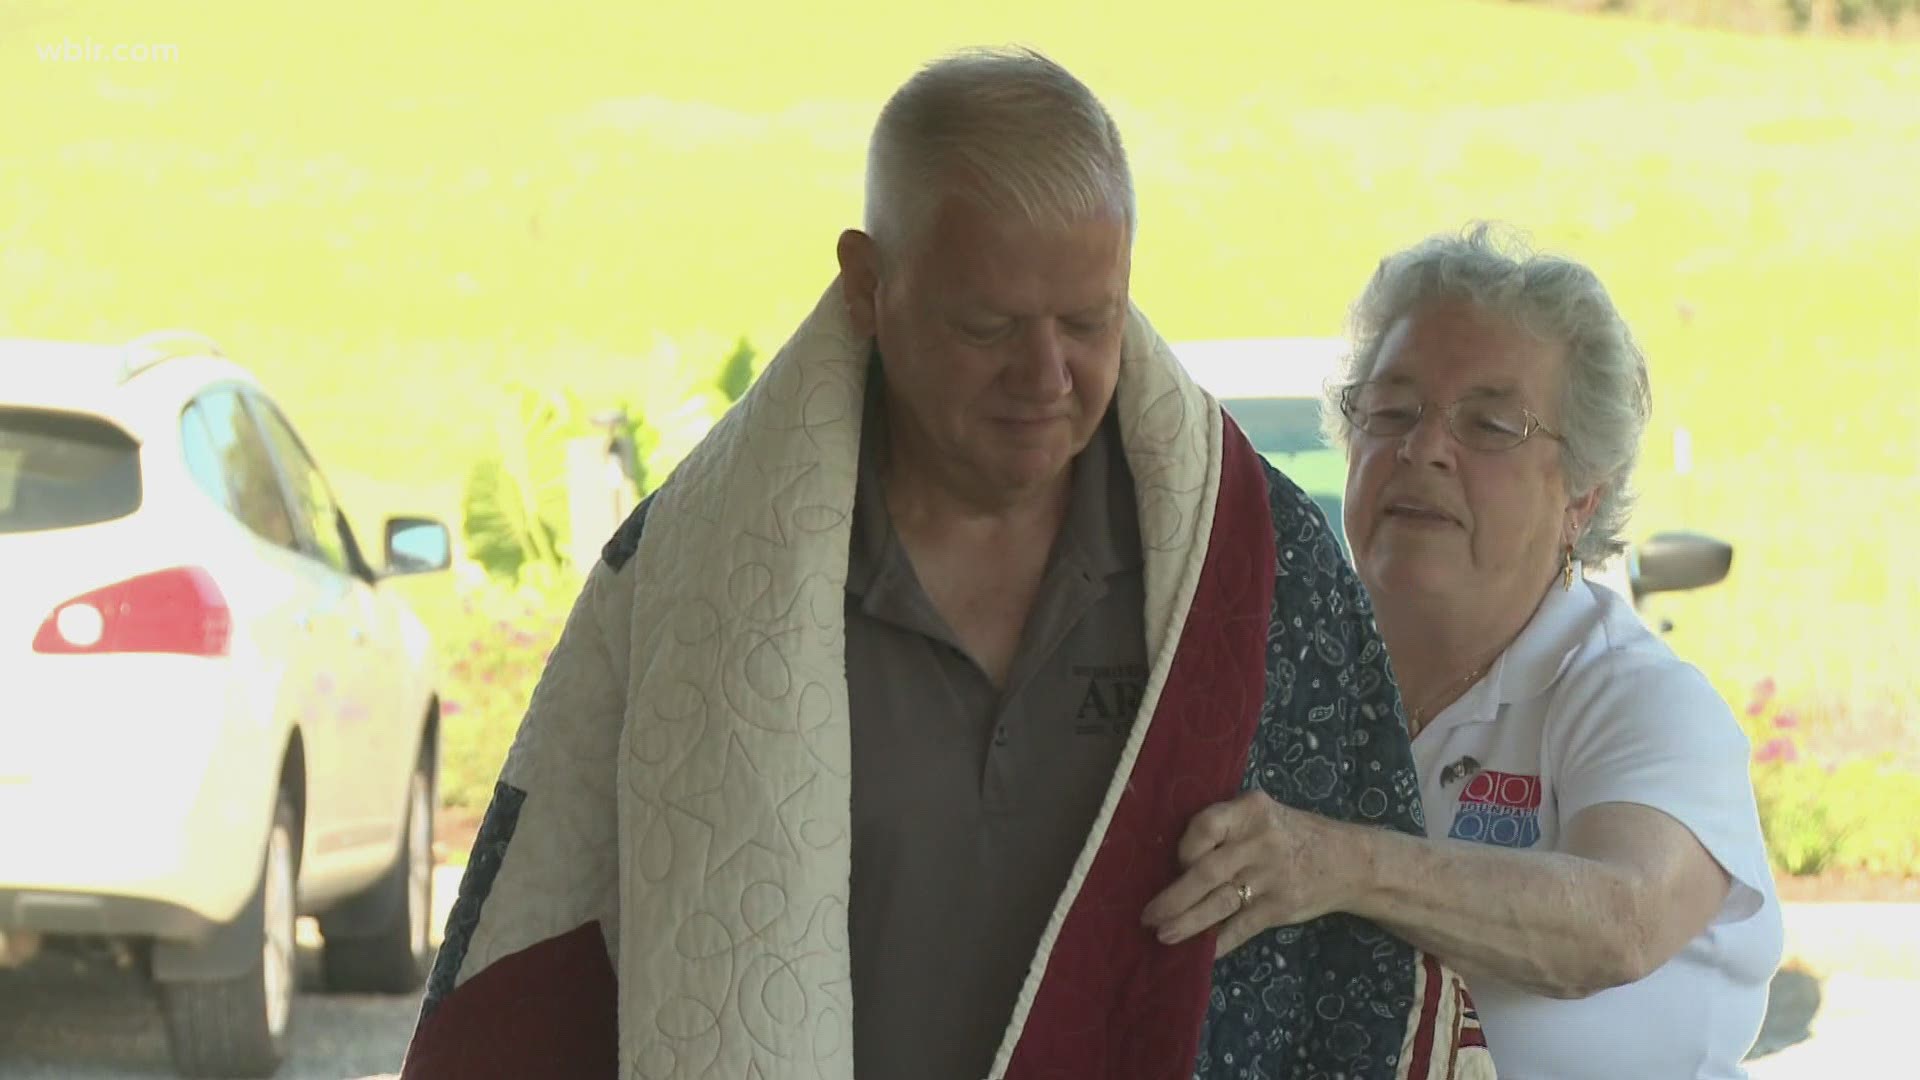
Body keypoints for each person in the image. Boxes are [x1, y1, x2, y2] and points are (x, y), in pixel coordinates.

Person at [400, 50, 1491, 1080]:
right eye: (988, 326)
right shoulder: (686, 575)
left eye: (1087, 321)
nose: (1046, 375)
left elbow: (1363, 955)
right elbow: (547, 940)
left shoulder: (1253, 565)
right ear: (869, 283)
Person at [1144, 226, 1784, 1078]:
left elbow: (1620, 924)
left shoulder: (1637, 698)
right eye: (1393, 410)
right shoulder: (1265, 674)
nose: (1423, 449)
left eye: (1490, 425)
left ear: (1580, 499)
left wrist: (1337, 865)